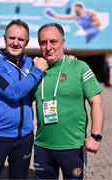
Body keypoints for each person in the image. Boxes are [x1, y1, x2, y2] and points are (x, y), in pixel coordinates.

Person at [33, 23, 104, 179]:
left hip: (73, 148)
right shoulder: (36, 71)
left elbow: (96, 101)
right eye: (43, 43)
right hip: (42, 147)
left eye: (53, 41)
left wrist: (96, 136)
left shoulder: (79, 67)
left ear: (63, 43)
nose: (48, 47)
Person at [0, 19, 48, 179]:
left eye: (20, 39)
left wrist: (69, 59)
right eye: (12, 38)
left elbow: (53, 68)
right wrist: (37, 71)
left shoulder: (32, 63)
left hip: (24, 137)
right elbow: (12, 92)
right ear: (5, 39)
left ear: (27, 42)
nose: (15, 43)